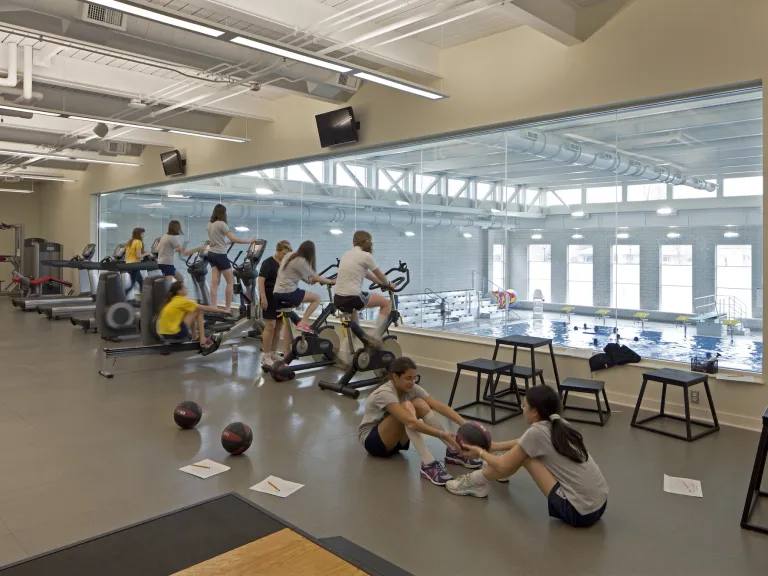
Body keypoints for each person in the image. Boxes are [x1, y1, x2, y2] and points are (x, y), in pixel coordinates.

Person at [446, 385, 608, 528]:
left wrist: (480, 453)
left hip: (580, 513)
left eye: (524, 405)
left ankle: (473, 482)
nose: (522, 408)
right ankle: (497, 473)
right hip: (599, 505)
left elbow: (504, 464)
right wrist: (494, 446)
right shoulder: (559, 423)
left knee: (524, 457)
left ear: (535, 412)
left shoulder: (536, 432)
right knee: (522, 453)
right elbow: (523, 442)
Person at [358, 356, 483, 487]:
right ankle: (428, 464)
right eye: (408, 378)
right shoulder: (385, 393)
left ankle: (453, 451)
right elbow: (410, 422)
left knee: (420, 403)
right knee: (407, 406)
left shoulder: (412, 388)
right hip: (373, 442)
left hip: (395, 442)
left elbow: (439, 406)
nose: (412, 382)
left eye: (414, 378)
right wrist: (440, 434)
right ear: (395, 377)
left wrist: (467, 424)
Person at [333, 230, 395, 345]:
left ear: (353, 242)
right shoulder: (366, 256)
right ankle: (375, 335)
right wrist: (388, 284)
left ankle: (345, 356)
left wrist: (381, 283)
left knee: (355, 329)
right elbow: (380, 275)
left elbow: (368, 274)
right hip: (353, 297)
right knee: (386, 303)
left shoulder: (346, 254)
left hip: (338, 298)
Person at [272, 240, 335, 334]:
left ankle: (287, 348)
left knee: (288, 324)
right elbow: (315, 277)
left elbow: (293, 272)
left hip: (277, 292)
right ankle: (303, 322)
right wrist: (331, 281)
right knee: (317, 298)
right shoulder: (301, 261)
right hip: (288, 293)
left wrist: (309, 281)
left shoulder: (290, 255)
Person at [206, 204, 257, 315]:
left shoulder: (210, 224)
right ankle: (228, 308)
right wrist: (250, 241)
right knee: (230, 281)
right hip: (220, 255)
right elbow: (232, 238)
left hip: (211, 254)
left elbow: (218, 240)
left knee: (215, 282)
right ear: (223, 213)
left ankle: (213, 307)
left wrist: (228, 242)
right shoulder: (222, 224)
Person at [258, 240, 292, 367]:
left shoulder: (284, 264)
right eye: (283, 253)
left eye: (287, 254)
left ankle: (273, 352)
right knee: (270, 325)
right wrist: (263, 297)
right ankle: (265, 355)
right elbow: (261, 281)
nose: (284, 256)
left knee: (278, 326)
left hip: (280, 297)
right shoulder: (268, 263)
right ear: (277, 251)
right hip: (268, 297)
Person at [157, 281, 222, 346]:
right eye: (184, 287)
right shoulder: (182, 301)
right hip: (175, 334)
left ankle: (195, 337)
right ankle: (202, 339)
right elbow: (204, 308)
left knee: (190, 310)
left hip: (164, 335)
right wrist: (223, 311)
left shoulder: (172, 300)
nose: (186, 288)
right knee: (198, 310)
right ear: (179, 291)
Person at [156, 220, 200, 284]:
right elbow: (185, 253)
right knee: (170, 284)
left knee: (180, 279)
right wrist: (199, 248)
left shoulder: (165, 236)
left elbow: (159, 249)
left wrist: (176, 250)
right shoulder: (173, 238)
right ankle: (171, 293)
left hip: (162, 262)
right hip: (167, 264)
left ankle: (177, 293)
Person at [125, 227, 148, 295]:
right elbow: (139, 256)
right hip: (134, 265)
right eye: (142, 234)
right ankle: (121, 296)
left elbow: (133, 253)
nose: (143, 236)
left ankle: (143, 299)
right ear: (139, 234)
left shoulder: (131, 241)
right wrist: (146, 253)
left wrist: (142, 253)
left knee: (141, 282)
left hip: (128, 265)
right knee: (132, 284)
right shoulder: (138, 242)